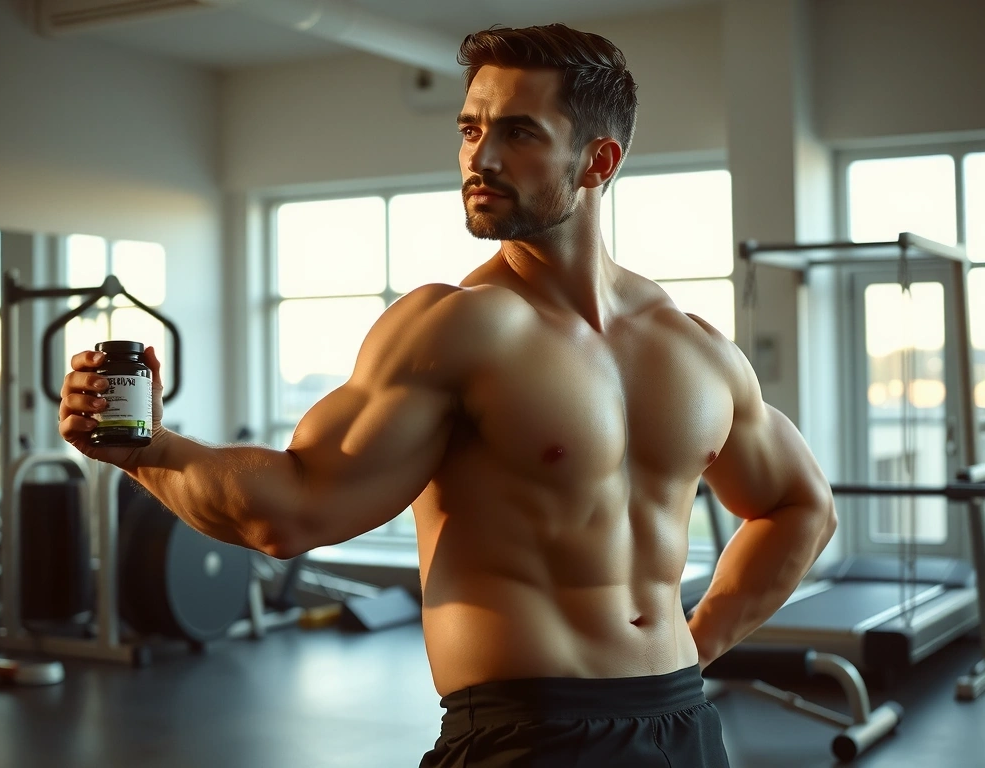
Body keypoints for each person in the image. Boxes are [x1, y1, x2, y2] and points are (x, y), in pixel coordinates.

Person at [60, 23, 837, 768]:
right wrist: (148, 451)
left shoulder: (697, 346)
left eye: (519, 134)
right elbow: (291, 509)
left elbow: (801, 505)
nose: (481, 156)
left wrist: (694, 647)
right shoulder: (457, 330)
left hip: (682, 728)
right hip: (529, 736)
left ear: (598, 162)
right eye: (470, 130)